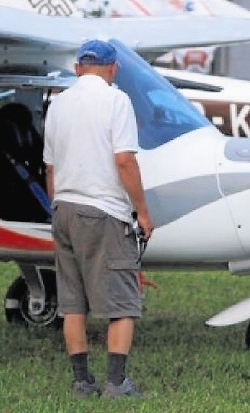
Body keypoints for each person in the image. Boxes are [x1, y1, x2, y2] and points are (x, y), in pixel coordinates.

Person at [43, 39, 154, 398]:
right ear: (113, 68)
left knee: (72, 301)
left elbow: (50, 168)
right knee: (123, 302)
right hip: (104, 210)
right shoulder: (117, 100)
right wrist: (143, 211)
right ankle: (117, 382)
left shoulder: (57, 105)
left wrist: (57, 205)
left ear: (77, 68)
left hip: (63, 207)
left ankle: (81, 381)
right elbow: (125, 160)